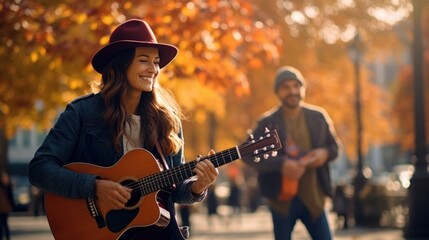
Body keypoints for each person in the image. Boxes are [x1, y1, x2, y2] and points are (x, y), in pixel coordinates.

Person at [28, 19, 218, 240]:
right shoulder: (82, 112)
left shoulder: (167, 121)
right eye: (143, 60)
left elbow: (174, 191)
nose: (153, 69)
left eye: (156, 62)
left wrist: (197, 187)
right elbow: (39, 169)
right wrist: (95, 187)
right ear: (121, 64)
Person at [243, 66, 340, 240]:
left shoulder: (318, 116)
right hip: (282, 202)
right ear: (277, 92)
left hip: (315, 200)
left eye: (296, 86)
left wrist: (323, 154)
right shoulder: (267, 122)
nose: (292, 91)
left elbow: (335, 148)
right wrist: (281, 165)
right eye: (286, 87)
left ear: (302, 88)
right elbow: (247, 154)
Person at [0, 171, 13, 240]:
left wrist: (12, 206)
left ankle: (7, 237)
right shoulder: (2, 187)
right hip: (2, 207)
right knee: (2, 224)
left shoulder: (8, 186)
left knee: (4, 223)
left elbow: (11, 197)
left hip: (6, 208)